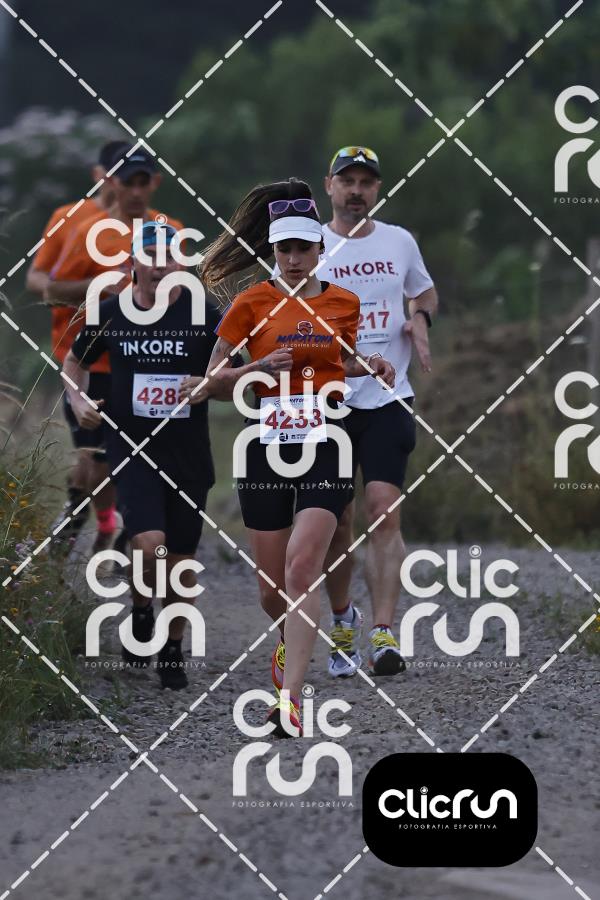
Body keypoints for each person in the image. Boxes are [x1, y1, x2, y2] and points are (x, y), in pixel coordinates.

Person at [184, 178, 395, 736]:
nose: (295, 259)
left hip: (326, 441)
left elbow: (340, 363)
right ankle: (289, 638)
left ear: (320, 248)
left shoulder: (343, 302)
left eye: (304, 248)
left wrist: (371, 365)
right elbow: (211, 382)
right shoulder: (249, 304)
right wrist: (256, 368)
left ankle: (290, 701)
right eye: (285, 249)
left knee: (303, 568)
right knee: (271, 591)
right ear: (273, 251)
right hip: (265, 447)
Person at [62, 221, 217, 690]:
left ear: (181, 263)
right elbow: (74, 363)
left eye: (168, 257)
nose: (160, 266)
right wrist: (78, 401)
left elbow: (232, 373)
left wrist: (210, 384)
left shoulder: (203, 312)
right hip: (131, 446)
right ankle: (143, 609)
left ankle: (171, 647)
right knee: (150, 543)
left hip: (188, 453)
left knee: (181, 559)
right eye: (150, 257)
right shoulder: (111, 311)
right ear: (133, 263)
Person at [320, 145, 438, 678]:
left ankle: (384, 633)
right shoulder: (309, 245)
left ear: (377, 190)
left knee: (384, 509)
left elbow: (425, 291)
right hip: (327, 398)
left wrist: (419, 319)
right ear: (330, 186)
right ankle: (343, 620)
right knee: (336, 520)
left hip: (389, 396)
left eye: (366, 182)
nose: (356, 191)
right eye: (347, 181)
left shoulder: (399, 241)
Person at [47, 144, 184, 564]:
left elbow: (183, 291)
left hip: (148, 362)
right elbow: (52, 289)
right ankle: (99, 521)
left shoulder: (170, 228)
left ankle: (130, 532)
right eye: (129, 183)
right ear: (113, 183)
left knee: (138, 455)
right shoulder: (91, 229)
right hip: (95, 361)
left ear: (154, 183)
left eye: (144, 182)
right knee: (96, 462)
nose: (137, 191)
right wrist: (100, 286)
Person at [26, 140, 129, 549]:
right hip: (79, 353)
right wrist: (95, 287)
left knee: (114, 454)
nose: (125, 184)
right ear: (99, 175)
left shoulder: (146, 225)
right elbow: (38, 281)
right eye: (117, 174)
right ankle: (87, 525)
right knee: (91, 453)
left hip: (131, 356)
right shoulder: (69, 218)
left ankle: (102, 525)